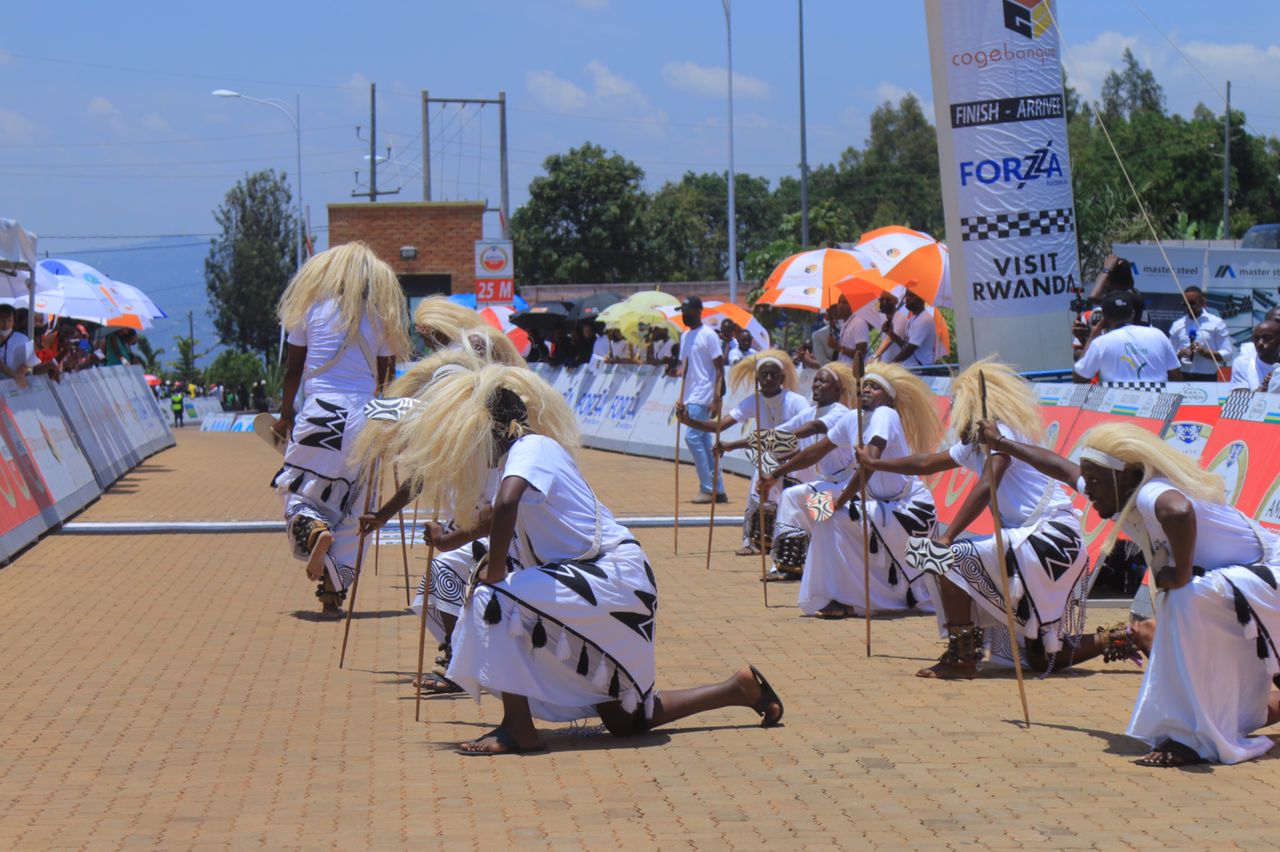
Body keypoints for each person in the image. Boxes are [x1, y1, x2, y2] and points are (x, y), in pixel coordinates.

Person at [386, 364, 784, 755]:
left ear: (495, 429)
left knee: (493, 598)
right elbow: (494, 515)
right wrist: (449, 540)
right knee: (626, 720)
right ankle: (738, 689)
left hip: (609, 575)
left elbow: (506, 504)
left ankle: (518, 730)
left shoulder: (532, 447)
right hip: (604, 579)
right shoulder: (524, 457)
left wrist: (493, 574)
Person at [980, 421, 1280, 766]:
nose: (1089, 491)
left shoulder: (1150, 494)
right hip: (1243, 586)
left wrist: (1181, 572)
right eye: (1088, 481)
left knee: (1183, 595)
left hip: (1266, 575)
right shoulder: (1118, 489)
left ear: (1124, 477)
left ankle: (1186, 738)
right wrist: (1001, 441)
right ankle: (1200, 729)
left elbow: (1178, 511)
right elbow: (1062, 468)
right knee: (1238, 706)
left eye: (1094, 481)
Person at [857, 359, 1089, 677]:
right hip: (1031, 540)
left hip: (1050, 537)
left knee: (947, 558)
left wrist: (948, 536)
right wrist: (877, 465)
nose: (953, 415)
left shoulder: (1001, 436)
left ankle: (962, 657)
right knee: (1037, 657)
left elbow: (986, 485)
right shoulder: (973, 446)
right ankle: (1123, 638)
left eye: (957, 407)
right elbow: (927, 463)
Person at [271, 242, 412, 617]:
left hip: (322, 412)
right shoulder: (381, 314)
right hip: (365, 415)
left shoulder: (309, 308)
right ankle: (334, 588)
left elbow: (293, 370)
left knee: (295, 487)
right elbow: (387, 380)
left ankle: (314, 530)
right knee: (357, 502)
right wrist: (386, 424)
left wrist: (285, 415)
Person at [763, 363, 943, 617]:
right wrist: (775, 474)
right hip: (874, 501)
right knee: (809, 504)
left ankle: (840, 597)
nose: (866, 389)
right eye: (864, 385)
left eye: (875, 387)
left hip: (907, 508)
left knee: (828, 516)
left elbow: (870, 462)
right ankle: (794, 563)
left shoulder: (885, 414)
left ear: (889, 398)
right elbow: (814, 452)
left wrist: (841, 501)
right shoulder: (852, 418)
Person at [678, 350, 808, 556]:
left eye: (774, 374)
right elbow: (720, 426)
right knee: (757, 497)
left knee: (801, 503)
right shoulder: (753, 401)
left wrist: (733, 445)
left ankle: (806, 542)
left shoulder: (797, 402)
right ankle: (756, 542)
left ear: (782, 378)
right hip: (769, 459)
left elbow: (786, 437)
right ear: (757, 379)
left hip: (798, 461)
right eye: (764, 375)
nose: (769, 379)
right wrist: (689, 421)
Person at [753, 362, 856, 581]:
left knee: (792, 497)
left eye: (823, 381)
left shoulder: (840, 413)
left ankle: (792, 564)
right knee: (798, 500)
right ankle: (796, 562)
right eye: (816, 380)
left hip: (847, 487)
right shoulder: (810, 412)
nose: (816, 384)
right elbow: (779, 432)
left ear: (837, 389)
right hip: (827, 485)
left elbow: (812, 430)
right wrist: (733, 444)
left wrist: (776, 465)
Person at [675, 297, 726, 505]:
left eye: (687, 311)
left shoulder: (709, 335)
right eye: (682, 311)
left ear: (699, 311)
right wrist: (681, 397)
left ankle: (707, 488)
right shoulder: (685, 336)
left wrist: (716, 399)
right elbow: (685, 368)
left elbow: (719, 370)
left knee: (692, 438)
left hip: (703, 394)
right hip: (689, 396)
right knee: (704, 443)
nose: (684, 315)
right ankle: (718, 489)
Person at [1074, 293, 1181, 383]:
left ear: (1104, 317)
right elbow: (1176, 377)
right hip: (1157, 400)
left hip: (1118, 401)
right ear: (1132, 313)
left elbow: (1080, 378)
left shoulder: (1101, 342)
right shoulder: (1159, 335)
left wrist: (1091, 337)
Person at [1167, 287, 1232, 382]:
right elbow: (1169, 356)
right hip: (1183, 376)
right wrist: (1180, 353)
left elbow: (1228, 354)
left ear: (1202, 302)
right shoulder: (1177, 325)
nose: (1189, 307)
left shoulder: (1216, 323)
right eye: (1185, 304)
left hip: (1207, 376)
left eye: (1192, 303)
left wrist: (1204, 352)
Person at [887, 289, 936, 368]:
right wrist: (891, 334)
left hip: (922, 370)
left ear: (921, 298)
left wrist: (890, 365)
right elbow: (905, 346)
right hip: (911, 368)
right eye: (906, 295)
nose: (907, 298)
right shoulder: (911, 320)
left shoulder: (925, 319)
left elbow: (910, 349)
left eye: (911, 295)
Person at [1229, 318, 1280, 392]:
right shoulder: (1243, 363)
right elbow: (1240, 395)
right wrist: (1263, 391)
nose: (1260, 343)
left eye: (1267, 338)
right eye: (1256, 338)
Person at [0, 304, 40, 388]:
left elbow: (32, 367)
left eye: (9, 320)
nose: (5, 324)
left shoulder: (23, 339)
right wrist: (14, 374)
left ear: (14, 322)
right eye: (1, 320)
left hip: (14, 387)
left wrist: (25, 369)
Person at [871, 294, 908, 362]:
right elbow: (875, 307)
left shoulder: (900, 318)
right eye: (881, 299)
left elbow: (889, 339)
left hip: (897, 364)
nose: (884, 302)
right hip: (885, 362)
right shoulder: (882, 316)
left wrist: (874, 357)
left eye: (888, 300)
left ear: (895, 303)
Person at [833, 296, 870, 365]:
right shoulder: (845, 323)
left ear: (852, 305)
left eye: (845, 303)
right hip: (843, 369)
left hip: (854, 370)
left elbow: (860, 354)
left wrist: (838, 348)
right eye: (839, 302)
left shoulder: (859, 323)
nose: (840, 306)